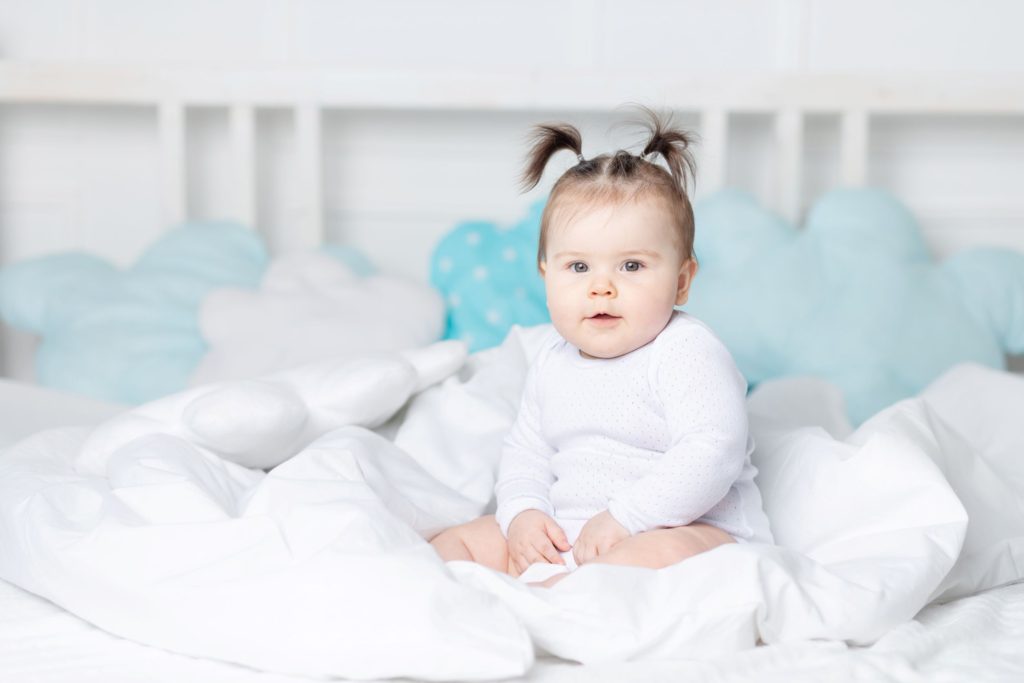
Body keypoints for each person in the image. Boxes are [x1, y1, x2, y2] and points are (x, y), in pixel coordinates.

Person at [430, 107, 772, 586]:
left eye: (631, 266)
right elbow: (526, 452)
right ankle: (443, 599)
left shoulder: (685, 351)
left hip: (683, 528)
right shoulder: (551, 359)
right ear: (546, 275)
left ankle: (565, 600)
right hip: (573, 536)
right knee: (458, 543)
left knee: (667, 551)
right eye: (578, 267)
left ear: (681, 281)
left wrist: (626, 518)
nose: (602, 288)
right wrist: (523, 513)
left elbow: (712, 451)